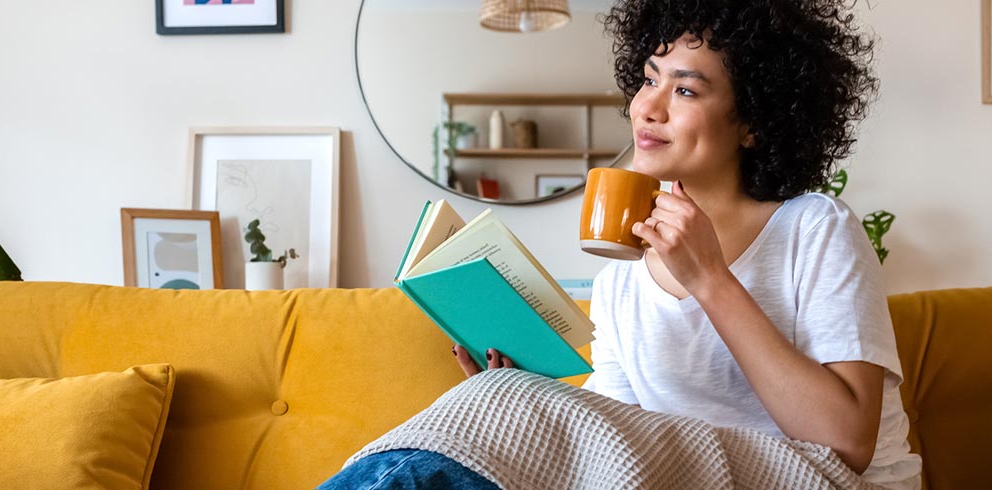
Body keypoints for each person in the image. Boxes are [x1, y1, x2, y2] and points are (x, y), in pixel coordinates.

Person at [319, 0, 921, 488]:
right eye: (649, 79)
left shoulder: (815, 228)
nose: (647, 108)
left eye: (686, 91)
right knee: (499, 407)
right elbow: (614, 453)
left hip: (822, 479)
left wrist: (710, 279)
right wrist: (513, 385)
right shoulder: (622, 278)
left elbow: (847, 442)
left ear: (753, 121)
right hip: (697, 476)